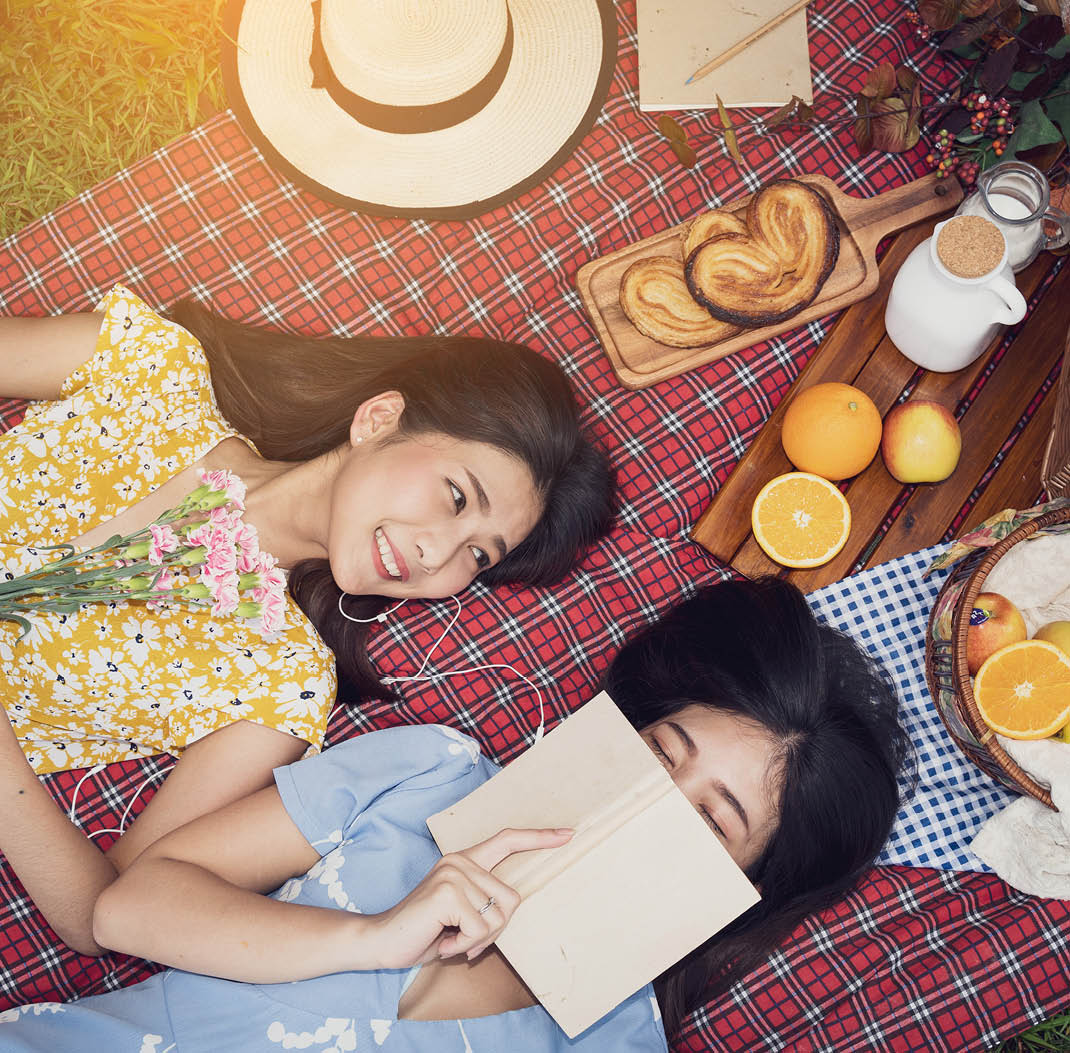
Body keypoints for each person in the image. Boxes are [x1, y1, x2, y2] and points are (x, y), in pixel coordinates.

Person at [0, 577, 912, 1049]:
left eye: (710, 821)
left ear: (740, 886)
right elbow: (122, 909)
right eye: (658, 753)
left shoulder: (614, 1042)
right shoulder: (429, 770)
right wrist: (369, 938)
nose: (640, 805)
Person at [0, 284, 615, 958]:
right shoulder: (151, 367)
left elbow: (98, 916)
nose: (438, 553)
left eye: (477, 553)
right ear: (379, 418)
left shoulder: (280, 680)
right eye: (457, 495)